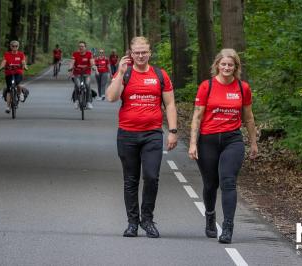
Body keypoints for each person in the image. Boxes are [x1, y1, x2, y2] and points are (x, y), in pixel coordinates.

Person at [106, 36, 178, 238]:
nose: (140, 55)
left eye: (144, 52)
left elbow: (170, 104)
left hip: (153, 134)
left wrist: (172, 131)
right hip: (127, 134)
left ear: (149, 53)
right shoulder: (125, 73)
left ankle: (147, 219)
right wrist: (120, 73)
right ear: (130, 53)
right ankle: (132, 223)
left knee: (152, 177)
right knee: (130, 180)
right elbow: (111, 97)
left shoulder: (159, 75)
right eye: (136, 52)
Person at [188, 48, 258, 244]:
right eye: (223, 64)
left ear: (236, 67)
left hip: (232, 140)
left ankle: (227, 227)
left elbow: (249, 117)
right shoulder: (206, 86)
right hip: (208, 140)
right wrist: (193, 144)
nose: (227, 67)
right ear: (217, 65)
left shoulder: (242, 88)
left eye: (231, 65)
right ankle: (210, 215)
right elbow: (197, 116)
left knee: (228, 182)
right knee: (211, 184)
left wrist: (253, 142)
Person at [0, 40, 28, 113]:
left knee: (17, 83)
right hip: (9, 73)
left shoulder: (21, 54)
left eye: (16, 46)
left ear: (18, 47)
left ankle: (20, 93)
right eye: (13, 46)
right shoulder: (7, 54)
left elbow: (23, 62)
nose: (14, 47)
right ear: (10, 46)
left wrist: (24, 66)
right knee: (9, 90)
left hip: (18, 72)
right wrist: (1, 67)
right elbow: (4, 61)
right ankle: (8, 107)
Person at [68, 41, 97, 110]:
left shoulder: (89, 54)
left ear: (85, 47)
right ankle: (76, 101)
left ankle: (88, 102)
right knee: (77, 85)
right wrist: (70, 67)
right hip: (77, 73)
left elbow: (92, 61)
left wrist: (93, 66)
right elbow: (72, 62)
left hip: (86, 74)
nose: (81, 47)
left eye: (82, 46)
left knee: (87, 85)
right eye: (79, 46)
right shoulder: (75, 54)